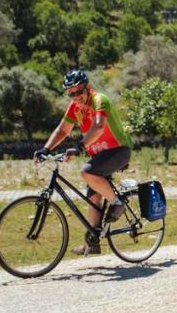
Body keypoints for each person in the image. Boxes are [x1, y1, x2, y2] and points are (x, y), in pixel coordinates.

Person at [34, 69, 134, 255]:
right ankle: (91, 243)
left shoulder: (99, 100)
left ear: (87, 88)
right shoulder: (75, 107)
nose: (75, 96)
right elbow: (63, 130)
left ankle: (117, 202)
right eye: (71, 93)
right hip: (100, 156)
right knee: (93, 198)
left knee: (86, 172)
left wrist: (79, 147)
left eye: (79, 92)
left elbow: (99, 126)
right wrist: (46, 149)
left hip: (118, 151)